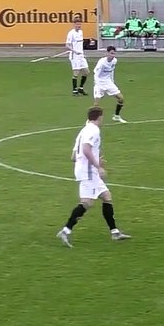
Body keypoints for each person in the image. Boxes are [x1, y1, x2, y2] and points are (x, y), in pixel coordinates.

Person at [56, 106, 131, 247]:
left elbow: (73, 156)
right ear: (99, 117)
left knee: (106, 196)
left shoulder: (83, 131)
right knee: (86, 203)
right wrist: (98, 166)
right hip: (88, 172)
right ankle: (65, 231)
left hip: (86, 170)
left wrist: (96, 161)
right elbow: (85, 149)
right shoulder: (94, 130)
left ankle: (115, 232)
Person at [93, 46, 127, 123]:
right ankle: (90, 120)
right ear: (107, 53)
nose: (113, 55)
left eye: (114, 53)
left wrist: (112, 82)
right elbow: (96, 74)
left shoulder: (114, 61)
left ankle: (116, 116)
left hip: (108, 82)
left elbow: (112, 71)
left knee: (121, 98)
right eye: (111, 53)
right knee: (96, 105)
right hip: (99, 82)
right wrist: (98, 85)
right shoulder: (101, 62)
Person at [65, 17, 90, 96]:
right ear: (74, 24)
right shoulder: (71, 33)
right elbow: (67, 45)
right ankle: (74, 90)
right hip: (74, 56)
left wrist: (82, 53)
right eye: (77, 24)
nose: (79, 25)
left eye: (80, 24)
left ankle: (81, 88)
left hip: (81, 55)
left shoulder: (81, 32)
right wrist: (75, 51)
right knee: (76, 73)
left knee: (86, 72)